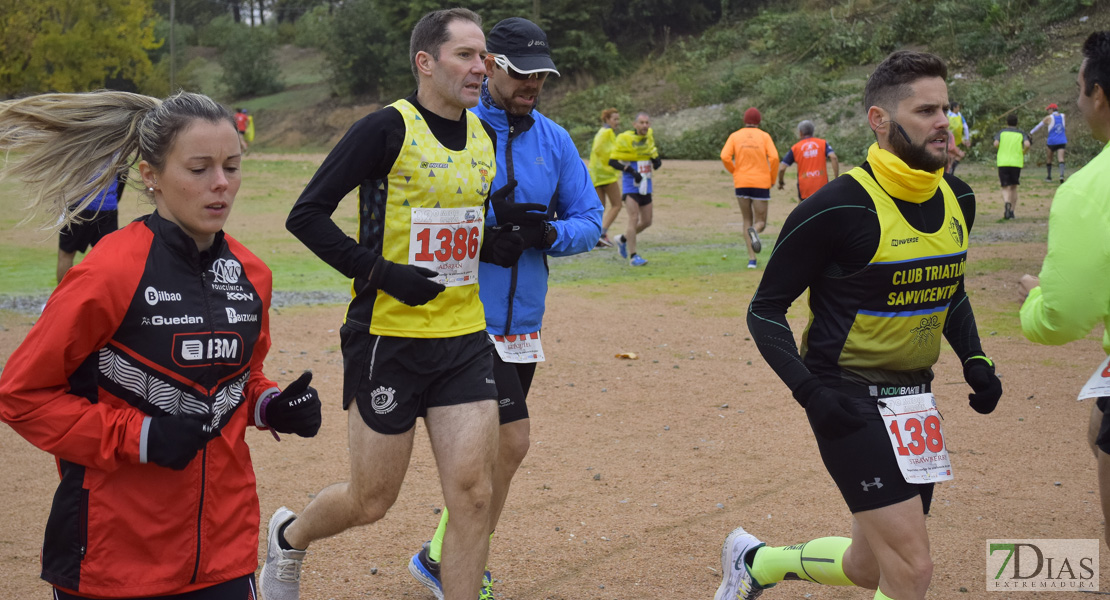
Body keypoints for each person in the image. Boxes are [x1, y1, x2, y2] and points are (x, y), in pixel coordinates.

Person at [0, 90, 322, 600]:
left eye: (232, 166)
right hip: (114, 559)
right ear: (150, 176)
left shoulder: (251, 273)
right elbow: (21, 395)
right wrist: (141, 436)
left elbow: (239, 379)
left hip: (223, 553)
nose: (221, 184)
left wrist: (270, 404)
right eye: (199, 168)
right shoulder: (106, 273)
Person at [720, 50, 1002, 600]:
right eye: (925, 111)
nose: (943, 122)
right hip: (847, 399)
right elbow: (764, 310)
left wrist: (976, 359)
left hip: (915, 403)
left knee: (869, 566)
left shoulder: (958, 198)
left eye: (946, 108)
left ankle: (757, 561)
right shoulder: (836, 208)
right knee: (912, 569)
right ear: (880, 120)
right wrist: (811, 393)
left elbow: (949, 288)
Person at [268, 9, 527, 600]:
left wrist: (494, 242)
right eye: (465, 55)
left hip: (464, 339)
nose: (479, 67)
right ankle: (290, 536)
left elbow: (451, 231)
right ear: (425, 62)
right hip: (388, 335)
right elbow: (305, 215)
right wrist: (383, 274)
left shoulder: (485, 137)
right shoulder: (385, 129)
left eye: (483, 56)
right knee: (371, 500)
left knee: (473, 494)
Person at [407, 17, 602, 600]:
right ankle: (460, 567)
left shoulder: (555, 140)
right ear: (489, 66)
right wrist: (492, 230)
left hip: (523, 323)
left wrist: (545, 235)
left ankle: (443, 555)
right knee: (509, 444)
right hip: (463, 319)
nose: (532, 84)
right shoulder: (457, 130)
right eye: (520, 73)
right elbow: (425, 216)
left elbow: (589, 220)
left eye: (540, 74)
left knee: (496, 454)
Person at [1019, 31, 1110, 549]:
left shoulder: (1089, 190)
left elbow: (1063, 317)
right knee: (1096, 429)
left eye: (1080, 90)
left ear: (1098, 93)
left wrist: (1035, 296)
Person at [720, 107, 779, 269]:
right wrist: (772, 179)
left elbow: (724, 156)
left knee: (746, 219)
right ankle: (755, 230)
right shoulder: (764, 137)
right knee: (760, 222)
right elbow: (774, 158)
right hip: (761, 182)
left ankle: (751, 260)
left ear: (744, 121)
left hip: (741, 182)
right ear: (759, 122)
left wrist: (735, 171)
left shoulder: (735, 136)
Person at [607, 112, 660, 266]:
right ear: (635, 124)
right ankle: (634, 257)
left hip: (646, 184)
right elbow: (613, 161)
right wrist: (631, 171)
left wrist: (656, 161)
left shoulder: (649, 138)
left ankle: (622, 239)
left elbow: (651, 153)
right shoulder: (625, 139)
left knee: (647, 221)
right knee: (633, 218)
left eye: (647, 123)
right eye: (642, 123)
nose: (645, 126)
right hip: (631, 185)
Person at [56, 172, 125, 283]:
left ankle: (62, 298)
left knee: (66, 255)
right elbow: (123, 172)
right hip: (107, 207)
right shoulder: (115, 153)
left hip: (78, 206)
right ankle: (103, 297)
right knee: (107, 259)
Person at [777, 119, 839, 202]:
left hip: (805, 187)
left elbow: (782, 168)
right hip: (822, 186)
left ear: (800, 133)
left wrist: (781, 182)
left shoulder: (796, 148)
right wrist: (836, 179)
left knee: (805, 212)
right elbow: (833, 157)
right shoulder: (822, 143)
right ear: (812, 131)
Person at [589, 108, 623, 248]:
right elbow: (600, 150)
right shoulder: (607, 132)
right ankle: (602, 233)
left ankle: (596, 236)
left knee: (600, 207)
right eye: (614, 119)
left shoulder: (601, 132)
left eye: (617, 119)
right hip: (606, 174)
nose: (617, 122)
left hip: (595, 174)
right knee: (617, 204)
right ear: (607, 119)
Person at [994, 113, 1031, 219]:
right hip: (1016, 162)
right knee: (1013, 187)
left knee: (1005, 186)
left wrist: (1002, 149)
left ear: (1007, 122)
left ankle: (1006, 203)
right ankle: (1012, 211)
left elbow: (996, 143)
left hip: (1003, 161)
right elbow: (1027, 144)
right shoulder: (1021, 133)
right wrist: (1023, 152)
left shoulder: (1001, 132)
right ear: (1017, 123)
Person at [1031, 102, 1067, 181]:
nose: (1048, 111)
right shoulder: (1063, 116)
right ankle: (1061, 176)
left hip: (1052, 141)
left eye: (1048, 109)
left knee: (1049, 158)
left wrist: (1031, 133)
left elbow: (1039, 126)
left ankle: (1049, 177)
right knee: (1061, 158)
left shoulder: (1048, 118)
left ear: (1051, 109)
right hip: (1062, 140)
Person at [946, 101, 971, 174]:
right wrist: (967, 139)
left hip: (954, 140)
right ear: (954, 108)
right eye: (958, 107)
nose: (959, 108)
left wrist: (966, 139)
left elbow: (965, 127)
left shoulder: (957, 115)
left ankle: (950, 171)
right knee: (956, 155)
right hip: (951, 140)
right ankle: (949, 172)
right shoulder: (950, 115)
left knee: (955, 156)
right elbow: (965, 127)